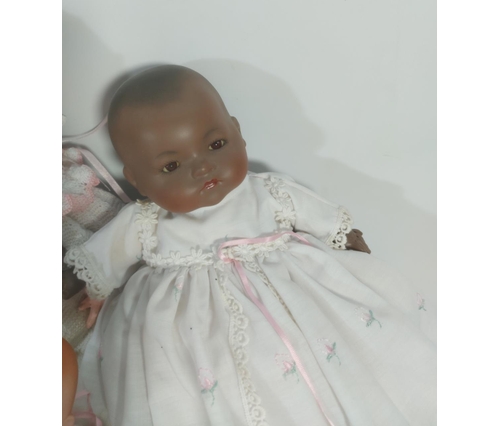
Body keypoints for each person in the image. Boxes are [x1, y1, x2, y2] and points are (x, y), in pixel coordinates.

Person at [66, 65, 436, 426]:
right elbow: (107, 258)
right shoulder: (145, 222)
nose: (202, 168)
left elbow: (310, 210)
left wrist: (340, 233)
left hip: (292, 294)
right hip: (197, 330)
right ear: (137, 180)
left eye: (215, 145)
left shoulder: (266, 191)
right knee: (205, 391)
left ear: (237, 132)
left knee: (330, 360)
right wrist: (98, 291)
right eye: (171, 166)